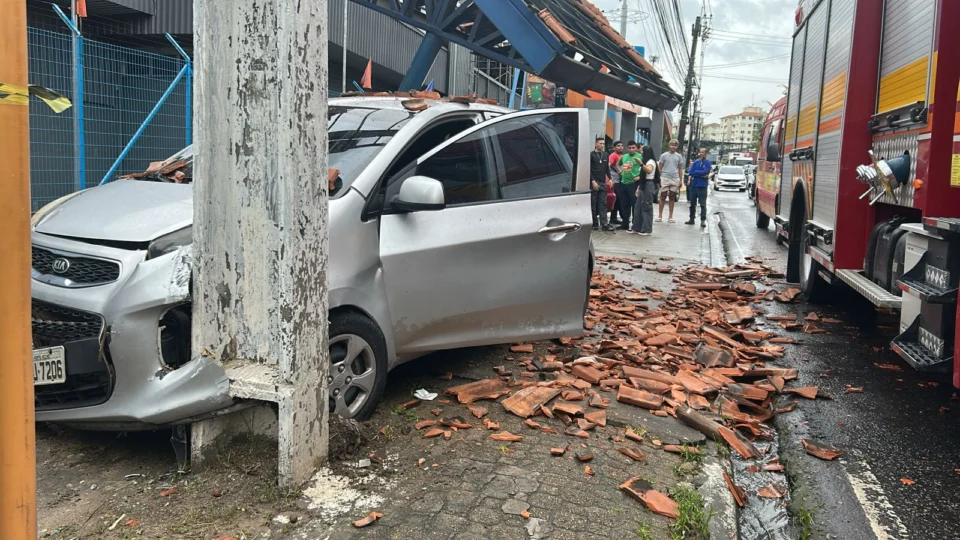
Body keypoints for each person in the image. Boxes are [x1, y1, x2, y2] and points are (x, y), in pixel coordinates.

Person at [632, 145, 660, 236]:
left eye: (642, 151)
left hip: (649, 185)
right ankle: (637, 227)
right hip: (643, 184)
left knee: (646, 207)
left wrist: (641, 164)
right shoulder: (645, 161)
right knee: (638, 207)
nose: (641, 152)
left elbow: (648, 170)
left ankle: (647, 229)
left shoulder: (650, 161)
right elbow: (643, 175)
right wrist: (639, 187)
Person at [589, 137, 615, 231]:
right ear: (596, 144)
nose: (602, 145)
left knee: (603, 203)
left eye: (603, 144)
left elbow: (607, 168)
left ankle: (604, 223)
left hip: (602, 182)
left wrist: (610, 178)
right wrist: (592, 181)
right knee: (593, 203)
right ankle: (594, 223)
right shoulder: (591, 155)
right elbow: (588, 169)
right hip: (594, 182)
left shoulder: (605, 155)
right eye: (600, 143)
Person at [617, 141, 643, 230]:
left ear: (636, 148)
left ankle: (635, 224)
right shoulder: (624, 156)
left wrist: (639, 176)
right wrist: (620, 171)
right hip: (624, 183)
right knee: (624, 204)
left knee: (634, 204)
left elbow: (645, 168)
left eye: (633, 147)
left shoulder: (640, 156)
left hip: (633, 184)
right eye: (629, 148)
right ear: (627, 148)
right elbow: (618, 164)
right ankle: (625, 223)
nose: (631, 149)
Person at [657, 139, 684, 223]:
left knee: (672, 197)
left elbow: (680, 168)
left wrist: (680, 180)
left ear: (677, 146)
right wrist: (660, 176)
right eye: (672, 145)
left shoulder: (679, 156)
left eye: (675, 145)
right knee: (662, 196)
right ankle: (660, 215)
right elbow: (660, 167)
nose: (673, 146)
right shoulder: (664, 155)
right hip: (665, 177)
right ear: (669, 145)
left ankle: (670, 216)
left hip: (675, 178)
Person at [686, 147, 712, 227]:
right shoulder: (696, 162)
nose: (701, 153)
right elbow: (691, 172)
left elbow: (706, 171)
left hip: (702, 186)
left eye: (703, 152)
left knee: (703, 204)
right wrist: (700, 174)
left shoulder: (708, 163)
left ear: (706, 153)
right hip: (694, 185)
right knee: (692, 203)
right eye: (700, 152)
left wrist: (697, 173)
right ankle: (691, 219)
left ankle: (703, 220)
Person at [608, 141, 624, 225]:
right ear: (614, 148)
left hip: (622, 180)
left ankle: (613, 218)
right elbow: (608, 165)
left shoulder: (622, 156)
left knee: (618, 200)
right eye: (618, 146)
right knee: (617, 199)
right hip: (616, 181)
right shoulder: (613, 155)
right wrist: (610, 177)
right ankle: (614, 217)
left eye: (621, 146)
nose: (621, 147)